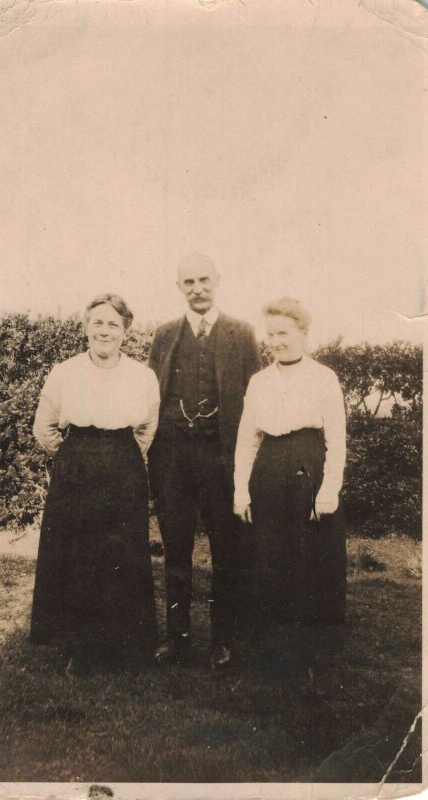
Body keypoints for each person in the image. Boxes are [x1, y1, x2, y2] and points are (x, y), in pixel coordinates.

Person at [30, 294, 160, 675]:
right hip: (78, 465)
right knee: (79, 553)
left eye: (113, 325)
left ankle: (125, 646)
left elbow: (148, 427)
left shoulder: (142, 375)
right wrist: (74, 456)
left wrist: (122, 456)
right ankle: (80, 648)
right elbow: (45, 427)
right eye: (97, 323)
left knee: (122, 552)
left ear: (125, 332)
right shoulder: (64, 371)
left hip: (124, 464)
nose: (104, 331)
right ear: (86, 328)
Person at [148, 253, 262, 671]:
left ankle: (223, 640)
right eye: (188, 281)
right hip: (173, 458)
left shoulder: (242, 333)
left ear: (218, 281)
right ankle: (176, 639)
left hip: (222, 460)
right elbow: (149, 395)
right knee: (175, 550)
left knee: (226, 551)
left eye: (204, 280)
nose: (197, 288)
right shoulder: (163, 336)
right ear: (179, 286)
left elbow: (258, 396)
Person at [233, 297, 347, 681]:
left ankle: (307, 654)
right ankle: (271, 653)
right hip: (268, 471)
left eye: (284, 332)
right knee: (268, 560)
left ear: (303, 333)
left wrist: (328, 490)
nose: (276, 341)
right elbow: (248, 439)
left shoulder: (323, 378)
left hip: (308, 469)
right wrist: (241, 491)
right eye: (271, 334)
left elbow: (336, 441)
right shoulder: (259, 381)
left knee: (307, 562)